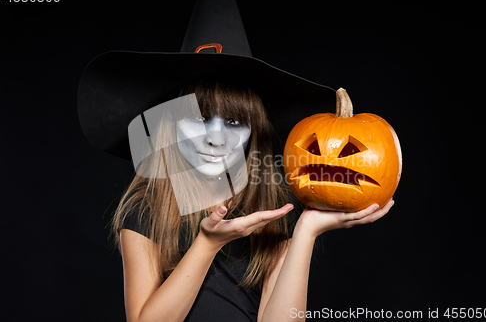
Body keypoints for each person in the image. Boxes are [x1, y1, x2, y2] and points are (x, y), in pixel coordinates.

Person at [110, 80, 394, 322]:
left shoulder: (277, 210)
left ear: (253, 133)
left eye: (234, 122)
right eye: (199, 119)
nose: (215, 139)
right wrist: (208, 244)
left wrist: (306, 230)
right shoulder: (146, 207)